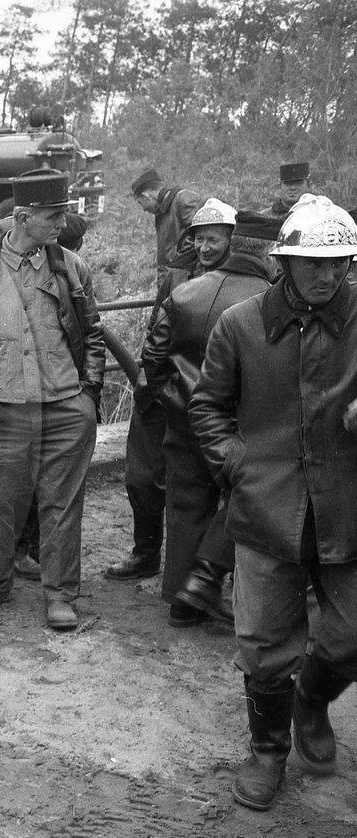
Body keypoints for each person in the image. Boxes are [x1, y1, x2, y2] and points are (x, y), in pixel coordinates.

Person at [188, 194, 357, 810]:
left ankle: (312, 698)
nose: (327, 276)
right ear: (284, 262)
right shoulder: (241, 325)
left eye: (339, 264)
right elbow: (207, 407)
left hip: (348, 507)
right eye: (314, 264)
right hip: (267, 509)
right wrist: (238, 465)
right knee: (263, 644)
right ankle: (267, 753)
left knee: (352, 634)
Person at [0, 172, 104, 630]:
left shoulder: (72, 268)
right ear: (23, 217)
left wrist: (88, 396)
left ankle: (60, 595)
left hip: (64, 407)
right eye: (53, 216)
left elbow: (92, 334)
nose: (61, 224)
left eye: (62, 214)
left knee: (61, 504)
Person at [141, 211, 280, 629]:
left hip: (184, 418)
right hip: (241, 426)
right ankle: (209, 585)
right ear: (270, 254)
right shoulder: (272, 300)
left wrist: (173, 400)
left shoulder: (185, 292)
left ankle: (181, 603)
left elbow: (153, 355)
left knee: (186, 504)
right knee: (247, 500)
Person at [106, 169, 204, 582]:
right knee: (143, 477)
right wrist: (148, 376)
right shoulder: (177, 276)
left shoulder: (239, 285)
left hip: (203, 394)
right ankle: (146, 554)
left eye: (211, 238)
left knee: (198, 487)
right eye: (198, 238)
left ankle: (199, 574)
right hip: (162, 385)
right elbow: (158, 327)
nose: (202, 245)